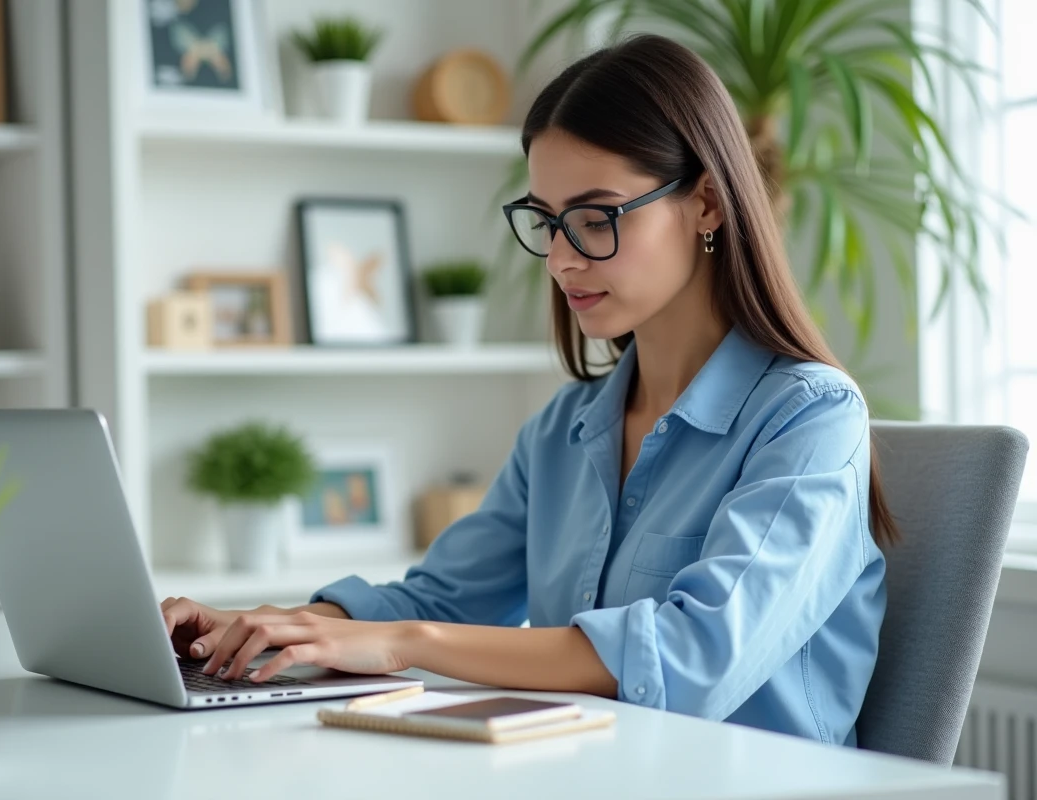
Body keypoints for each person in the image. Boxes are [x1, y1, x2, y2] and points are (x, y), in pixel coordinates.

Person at [162, 34, 891, 747]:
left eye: (596, 218)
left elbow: (691, 657)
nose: (564, 260)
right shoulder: (564, 430)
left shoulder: (811, 417)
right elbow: (438, 599)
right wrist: (254, 628)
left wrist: (400, 642)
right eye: (547, 223)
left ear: (706, 203)